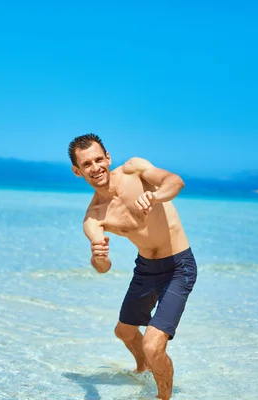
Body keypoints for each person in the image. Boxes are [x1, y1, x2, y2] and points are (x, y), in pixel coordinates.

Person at [68, 133, 198, 400]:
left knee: (152, 344)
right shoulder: (94, 216)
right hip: (146, 269)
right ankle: (143, 371)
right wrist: (99, 256)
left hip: (178, 265)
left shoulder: (134, 170)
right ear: (77, 171)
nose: (95, 168)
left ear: (108, 158)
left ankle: (163, 397)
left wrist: (156, 196)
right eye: (87, 164)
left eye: (98, 160)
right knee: (124, 331)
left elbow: (175, 181)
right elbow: (102, 267)